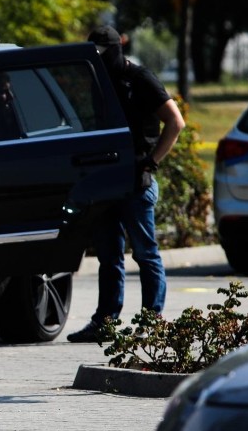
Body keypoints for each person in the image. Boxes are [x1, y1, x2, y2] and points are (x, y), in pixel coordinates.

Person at [67, 25, 185, 343]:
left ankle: (152, 323)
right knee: (109, 256)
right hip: (107, 181)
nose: (102, 60)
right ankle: (105, 323)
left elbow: (175, 121)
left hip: (136, 182)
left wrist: (152, 161)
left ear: (120, 45)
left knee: (145, 254)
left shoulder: (140, 78)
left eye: (105, 53)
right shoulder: (97, 78)